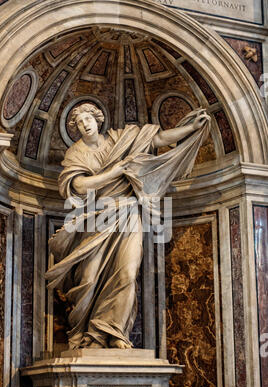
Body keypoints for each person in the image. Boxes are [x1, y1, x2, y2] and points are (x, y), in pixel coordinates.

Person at [45, 103, 211, 349]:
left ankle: (113, 333)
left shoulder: (122, 139)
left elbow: (158, 138)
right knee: (89, 279)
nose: (85, 124)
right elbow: (79, 187)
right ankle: (89, 334)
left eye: (88, 118)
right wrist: (115, 172)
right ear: (75, 128)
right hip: (96, 218)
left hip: (129, 213)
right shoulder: (75, 153)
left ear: (98, 120)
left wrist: (189, 129)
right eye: (79, 122)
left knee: (127, 273)